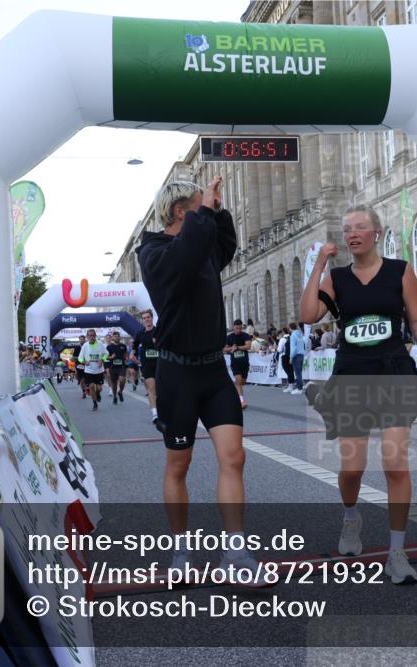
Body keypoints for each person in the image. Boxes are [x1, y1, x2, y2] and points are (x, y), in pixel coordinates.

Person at [300, 205, 417, 585]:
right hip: (351, 378)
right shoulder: (337, 278)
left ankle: (397, 551)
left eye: (360, 227)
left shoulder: (400, 271)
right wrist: (318, 264)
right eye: (347, 228)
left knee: (396, 465)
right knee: (352, 469)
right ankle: (352, 518)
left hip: (394, 373)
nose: (353, 234)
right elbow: (308, 315)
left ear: (376, 233)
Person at [136, 176, 263, 584]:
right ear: (180, 212)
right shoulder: (153, 251)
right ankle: (181, 553)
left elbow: (223, 243)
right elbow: (184, 259)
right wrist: (204, 213)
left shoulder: (203, 245)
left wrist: (217, 209)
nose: (205, 212)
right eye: (197, 206)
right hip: (177, 374)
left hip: (213, 370)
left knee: (234, 458)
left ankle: (237, 554)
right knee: (179, 464)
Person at [133, 309, 159, 425]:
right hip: (147, 365)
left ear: (152, 318)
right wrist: (133, 357)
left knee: (162, 390)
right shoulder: (140, 334)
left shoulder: (159, 331)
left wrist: (159, 342)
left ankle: (161, 408)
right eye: (144, 318)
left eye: (148, 317)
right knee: (151, 389)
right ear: (142, 320)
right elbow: (133, 349)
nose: (147, 319)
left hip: (161, 364)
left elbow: (169, 345)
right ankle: (155, 414)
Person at [224, 319, 253, 409]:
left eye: (240, 328)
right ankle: (241, 401)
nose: (238, 330)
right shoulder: (229, 337)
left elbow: (248, 346)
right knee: (238, 381)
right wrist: (230, 348)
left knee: (242, 382)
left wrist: (237, 347)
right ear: (234, 327)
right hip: (235, 363)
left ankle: (237, 393)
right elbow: (224, 349)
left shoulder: (245, 335)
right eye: (237, 328)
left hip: (244, 363)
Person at [77, 329, 108, 411]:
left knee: (99, 388)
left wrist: (102, 359)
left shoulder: (100, 344)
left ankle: (98, 394)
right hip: (89, 371)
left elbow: (106, 354)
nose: (92, 337)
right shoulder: (85, 346)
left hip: (99, 371)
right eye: (90, 335)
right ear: (87, 337)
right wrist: (84, 361)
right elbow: (80, 358)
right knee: (91, 386)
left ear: (95, 336)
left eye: (93, 335)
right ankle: (95, 403)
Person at [105, 331, 128, 404]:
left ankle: (120, 392)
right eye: (115, 336)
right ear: (112, 338)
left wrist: (126, 359)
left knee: (122, 379)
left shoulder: (123, 346)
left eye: (118, 335)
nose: (116, 337)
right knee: (114, 384)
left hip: (121, 366)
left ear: (120, 337)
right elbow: (105, 357)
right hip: (113, 367)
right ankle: (115, 396)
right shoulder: (109, 347)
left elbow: (125, 355)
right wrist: (111, 357)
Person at [73, 334, 88, 398]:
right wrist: (80, 358)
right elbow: (74, 357)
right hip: (79, 365)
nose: (82, 340)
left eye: (83, 339)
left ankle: (86, 386)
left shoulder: (88, 347)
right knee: (81, 380)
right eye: (81, 339)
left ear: (85, 340)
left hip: (87, 365)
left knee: (85, 379)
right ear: (79, 340)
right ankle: (84, 392)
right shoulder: (77, 347)